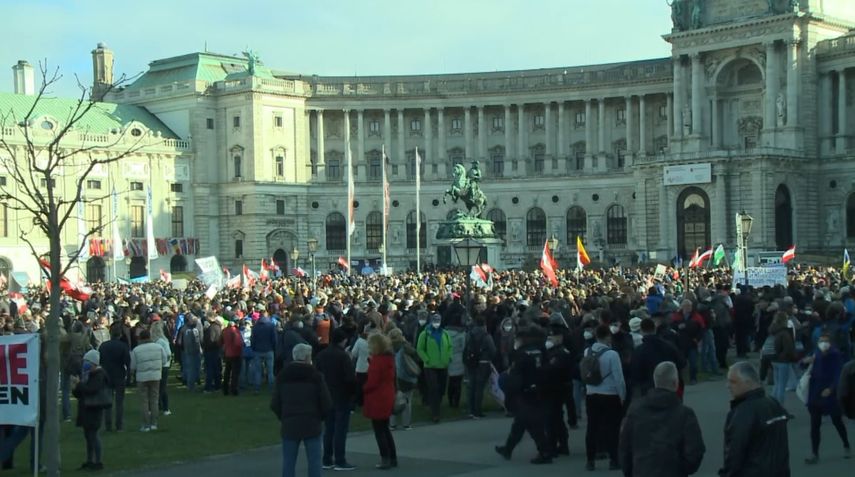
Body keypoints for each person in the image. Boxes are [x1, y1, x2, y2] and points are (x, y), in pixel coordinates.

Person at [619, 361, 705, 477]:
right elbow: (695, 451)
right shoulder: (685, 414)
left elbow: (625, 448)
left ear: (655, 382)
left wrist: (631, 471)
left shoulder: (635, 411)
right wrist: (681, 469)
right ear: (676, 384)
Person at [719, 361, 790, 477]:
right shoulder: (773, 404)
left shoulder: (743, 412)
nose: (728, 386)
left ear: (748, 382)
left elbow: (735, 452)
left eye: (733, 382)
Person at [271, 343, 332, 477]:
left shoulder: (282, 376)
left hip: (290, 424)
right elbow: (326, 402)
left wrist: (283, 416)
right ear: (307, 358)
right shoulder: (316, 376)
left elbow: (275, 403)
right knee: (314, 462)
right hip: (312, 423)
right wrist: (319, 417)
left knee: (289, 462)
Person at [495, 326, 552, 465]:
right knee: (520, 422)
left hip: (524, 391)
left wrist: (510, 391)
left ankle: (544, 452)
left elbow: (516, 376)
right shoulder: (540, 349)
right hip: (538, 389)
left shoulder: (521, 353)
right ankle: (508, 448)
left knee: (532, 424)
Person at [583, 324, 626, 471]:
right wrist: (622, 395)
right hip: (610, 394)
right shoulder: (612, 354)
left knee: (592, 427)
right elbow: (618, 377)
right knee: (612, 428)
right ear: (608, 336)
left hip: (591, 393)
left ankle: (590, 460)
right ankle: (614, 460)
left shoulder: (587, 352)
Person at [804, 333, 851, 463]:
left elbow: (838, 374)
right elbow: (804, 365)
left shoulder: (835, 355)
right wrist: (804, 362)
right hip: (815, 393)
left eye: (826, 341)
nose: (823, 343)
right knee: (815, 425)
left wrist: (831, 389)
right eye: (821, 340)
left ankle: (846, 444)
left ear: (831, 342)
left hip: (830, 395)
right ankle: (814, 453)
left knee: (837, 422)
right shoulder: (815, 353)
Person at [315, 329, 357, 471]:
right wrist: (352, 395)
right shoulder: (343, 356)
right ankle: (340, 459)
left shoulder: (321, 355)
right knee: (340, 429)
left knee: (329, 429)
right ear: (342, 340)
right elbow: (351, 378)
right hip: (341, 395)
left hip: (327, 395)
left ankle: (327, 459)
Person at [361, 333, 397, 469]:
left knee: (379, 430)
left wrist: (362, 388)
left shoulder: (377, 361)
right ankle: (392, 457)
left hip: (377, 397)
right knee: (385, 429)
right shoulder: (389, 359)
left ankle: (385, 458)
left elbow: (372, 382)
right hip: (387, 395)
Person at [72, 350, 109, 471]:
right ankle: (89, 460)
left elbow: (91, 390)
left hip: (94, 409)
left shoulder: (100, 375)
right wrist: (75, 387)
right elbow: (80, 393)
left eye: (87, 361)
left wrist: (79, 384)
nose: (84, 363)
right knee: (87, 436)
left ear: (93, 362)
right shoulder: (87, 374)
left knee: (93, 435)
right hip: (85, 409)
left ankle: (98, 461)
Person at [631, 318, 685, 398]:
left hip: (649, 390)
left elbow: (636, 374)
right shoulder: (669, 346)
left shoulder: (639, 351)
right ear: (655, 329)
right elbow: (681, 363)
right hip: (671, 387)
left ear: (641, 331)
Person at [416, 314, 452, 423]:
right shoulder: (425, 334)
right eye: (435, 320)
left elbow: (450, 346)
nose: (437, 322)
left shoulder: (445, 333)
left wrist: (449, 358)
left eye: (438, 320)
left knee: (441, 389)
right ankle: (435, 413)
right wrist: (426, 359)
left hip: (443, 365)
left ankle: (437, 406)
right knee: (433, 389)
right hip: (430, 366)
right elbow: (419, 348)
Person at [130, 329, 168, 432]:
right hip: (155, 376)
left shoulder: (136, 350)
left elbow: (132, 365)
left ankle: (146, 424)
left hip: (142, 377)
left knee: (144, 401)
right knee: (154, 400)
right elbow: (164, 360)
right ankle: (154, 423)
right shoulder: (158, 347)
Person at [463, 315, 496, 419]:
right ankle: (478, 410)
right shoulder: (486, 335)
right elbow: (493, 350)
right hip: (483, 363)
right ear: (484, 324)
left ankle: (470, 410)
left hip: (471, 362)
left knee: (471, 386)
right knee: (479, 388)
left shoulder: (470, 334)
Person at [98, 326, 130, 432]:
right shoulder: (123, 346)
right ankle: (119, 425)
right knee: (119, 402)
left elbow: (100, 361)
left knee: (108, 401)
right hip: (119, 375)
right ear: (120, 335)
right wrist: (129, 375)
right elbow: (127, 362)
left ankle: (108, 425)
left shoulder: (103, 346)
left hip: (106, 375)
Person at [390, 327, 420, 430]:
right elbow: (415, 354)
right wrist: (405, 341)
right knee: (407, 401)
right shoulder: (404, 346)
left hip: (393, 377)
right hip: (406, 377)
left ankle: (392, 424)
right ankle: (406, 423)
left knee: (393, 400)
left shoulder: (388, 347)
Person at [768, 311, 797, 410]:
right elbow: (789, 348)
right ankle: (780, 408)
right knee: (782, 386)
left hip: (774, 359)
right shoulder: (785, 333)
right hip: (783, 361)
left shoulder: (773, 330)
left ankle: (772, 406)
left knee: (777, 384)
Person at [150, 319, 173, 415]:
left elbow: (168, 354)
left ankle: (165, 408)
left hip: (163, 366)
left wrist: (160, 361)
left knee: (162, 388)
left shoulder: (162, 341)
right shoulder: (156, 341)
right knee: (156, 388)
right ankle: (158, 406)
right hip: (158, 365)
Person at [252, 311, 277, 392]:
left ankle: (257, 388)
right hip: (269, 349)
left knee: (258, 371)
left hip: (257, 350)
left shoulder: (255, 326)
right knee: (270, 371)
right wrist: (274, 348)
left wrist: (254, 348)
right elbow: (274, 339)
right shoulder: (271, 325)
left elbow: (253, 339)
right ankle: (271, 388)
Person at [222, 318, 244, 396]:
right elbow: (238, 343)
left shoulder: (224, 331)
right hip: (236, 354)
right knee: (235, 373)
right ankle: (234, 389)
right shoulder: (235, 331)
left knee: (227, 372)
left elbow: (220, 342)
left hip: (227, 353)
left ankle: (225, 389)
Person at [202, 316, 223, 393]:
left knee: (209, 370)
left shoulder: (211, 328)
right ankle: (218, 386)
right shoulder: (218, 328)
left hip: (210, 351)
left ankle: (208, 387)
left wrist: (205, 347)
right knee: (217, 369)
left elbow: (210, 340)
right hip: (216, 350)